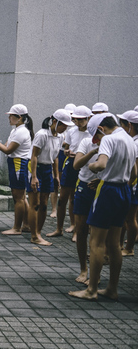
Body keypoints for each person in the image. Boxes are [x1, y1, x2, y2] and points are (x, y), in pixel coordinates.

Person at [69, 113, 136, 300]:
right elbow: (134, 173)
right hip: (124, 191)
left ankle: (91, 290)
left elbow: (101, 164)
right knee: (114, 243)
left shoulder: (109, 139)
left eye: (97, 136)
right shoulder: (130, 140)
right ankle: (112, 289)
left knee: (96, 241)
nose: (97, 141)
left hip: (108, 191)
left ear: (101, 129)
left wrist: (92, 167)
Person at [27, 109, 73, 246]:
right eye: (63, 125)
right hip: (36, 168)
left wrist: (56, 175)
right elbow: (34, 155)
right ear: (54, 121)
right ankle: (34, 235)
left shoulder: (60, 137)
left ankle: (38, 233)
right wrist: (34, 177)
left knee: (44, 204)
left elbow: (56, 157)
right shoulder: (42, 134)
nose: (65, 128)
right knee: (35, 203)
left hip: (48, 169)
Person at [0, 104, 34, 235]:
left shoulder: (21, 132)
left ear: (19, 118)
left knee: (18, 197)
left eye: (11, 116)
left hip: (19, 163)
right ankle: (26, 224)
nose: (9, 119)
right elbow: (6, 146)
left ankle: (17, 227)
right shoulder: (16, 130)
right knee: (21, 197)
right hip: (15, 163)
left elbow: (7, 149)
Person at [48, 105, 92, 239]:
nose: (78, 123)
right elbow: (66, 147)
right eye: (76, 120)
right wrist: (67, 152)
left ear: (88, 118)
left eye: (81, 120)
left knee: (76, 199)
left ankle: (77, 230)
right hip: (71, 164)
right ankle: (59, 228)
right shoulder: (72, 131)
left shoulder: (91, 132)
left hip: (84, 166)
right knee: (63, 198)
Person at [71, 128, 97, 283]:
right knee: (81, 229)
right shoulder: (86, 141)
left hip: (101, 187)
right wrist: (93, 153)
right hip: (84, 185)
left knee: (97, 232)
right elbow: (76, 164)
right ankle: (83, 269)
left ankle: (95, 272)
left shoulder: (112, 142)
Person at [117, 110, 138, 257]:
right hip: (131, 183)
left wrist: (128, 184)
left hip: (133, 184)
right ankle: (120, 244)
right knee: (127, 217)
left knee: (130, 218)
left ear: (129, 125)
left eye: (122, 124)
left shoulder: (135, 142)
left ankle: (129, 248)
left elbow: (135, 169)